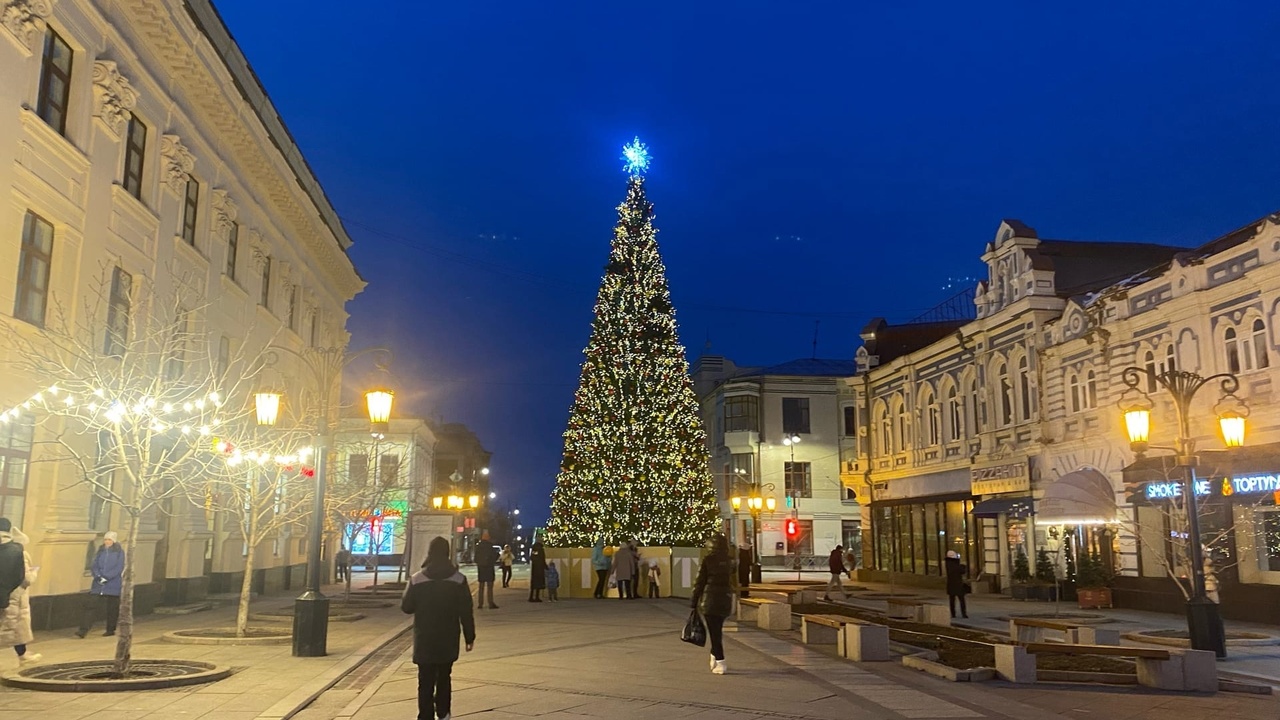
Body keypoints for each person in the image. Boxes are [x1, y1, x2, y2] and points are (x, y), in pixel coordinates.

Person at [402, 537, 475, 720]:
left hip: (425, 638)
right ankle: (443, 713)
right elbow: (466, 611)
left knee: (424, 679)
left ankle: (425, 715)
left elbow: (407, 607)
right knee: (444, 676)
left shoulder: (418, 579)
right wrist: (469, 636)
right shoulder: (458, 580)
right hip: (448, 638)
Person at [691, 533, 737, 675]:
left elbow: (699, 582)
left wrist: (694, 600)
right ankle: (714, 656)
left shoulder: (708, 560)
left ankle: (721, 661)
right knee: (716, 630)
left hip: (710, 600)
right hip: (725, 599)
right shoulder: (730, 561)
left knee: (714, 632)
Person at [0, 520, 38, 665]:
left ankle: (23, 655)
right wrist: (34, 572)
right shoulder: (19, 551)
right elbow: (27, 578)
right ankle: (23, 656)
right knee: (15, 628)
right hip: (15, 596)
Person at [77, 531, 124, 638]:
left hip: (113, 584)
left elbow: (119, 567)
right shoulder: (101, 551)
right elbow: (95, 565)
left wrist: (107, 577)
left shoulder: (119, 552)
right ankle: (83, 630)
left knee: (112, 608)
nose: (107, 542)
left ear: (114, 541)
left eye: (109, 540)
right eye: (106, 540)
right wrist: (98, 576)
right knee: (91, 605)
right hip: (98, 584)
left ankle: (110, 629)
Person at [474, 533, 498, 610]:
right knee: (490, 587)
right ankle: (490, 603)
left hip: (481, 569)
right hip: (489, 568)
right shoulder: (490, 546)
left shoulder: (478, 546)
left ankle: (480, 603)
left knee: (481, 587)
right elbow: (495, 555)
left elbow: (475, 558)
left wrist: (480, 563)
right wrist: (491, 561)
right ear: (488, 538)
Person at [944, 550, 969, 618]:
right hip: (958, 584)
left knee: (952, 600)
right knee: (961, 600)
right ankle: (963, 613)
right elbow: (961, 571)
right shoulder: (955, 564)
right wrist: (963, 566)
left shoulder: (948, 564)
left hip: (951, 584)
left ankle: (953, 614)